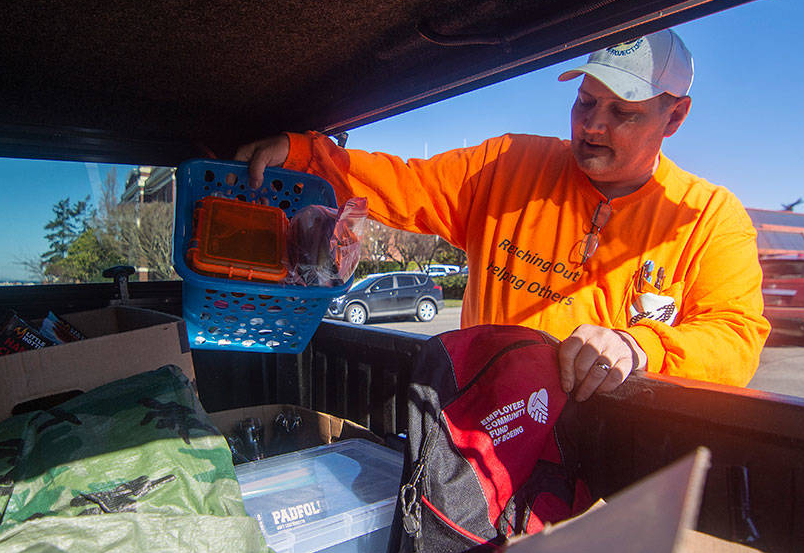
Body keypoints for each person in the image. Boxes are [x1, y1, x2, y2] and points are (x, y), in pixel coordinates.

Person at [235, 29, 769, 400]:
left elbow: (735, 339)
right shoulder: (509, 164)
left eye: (621, 113)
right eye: (585, 102)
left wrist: (638, 345)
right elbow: (405, 183)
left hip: (608, 458)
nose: (592, 126)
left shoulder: (709, 218)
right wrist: (302, 154)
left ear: (675, 116)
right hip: (480, 433)